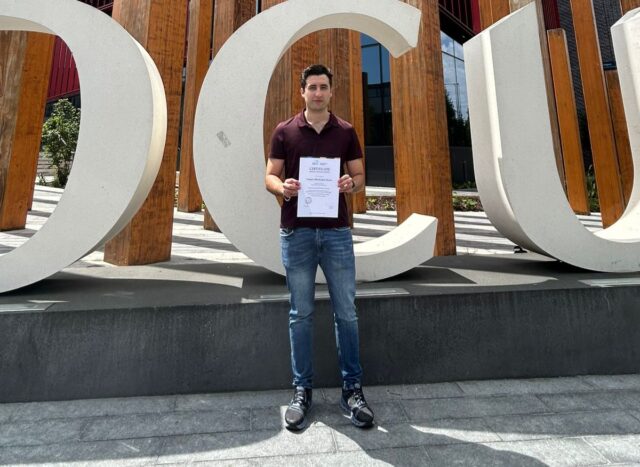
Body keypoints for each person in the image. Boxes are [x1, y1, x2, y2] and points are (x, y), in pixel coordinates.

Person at [265, 64, 374, 431]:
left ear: (331, 91)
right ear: (302, 92)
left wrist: (350, 185)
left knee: (347, 313)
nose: (317, 93)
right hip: (296, 233)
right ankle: (302, 391)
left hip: (336, 233)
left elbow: (360, 176)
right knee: (301, 314)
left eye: (323, 87)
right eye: (311, 87)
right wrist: (283, 188)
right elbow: (270, 176)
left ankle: (352, 390)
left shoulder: (345, 132)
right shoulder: (284, 131)